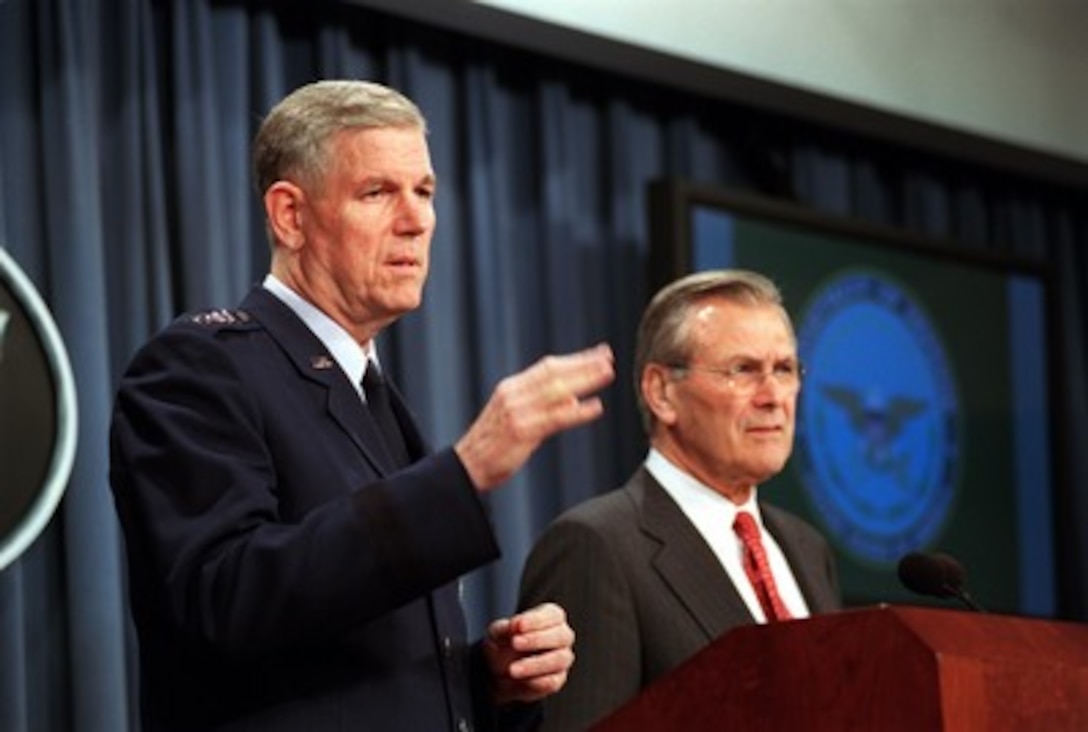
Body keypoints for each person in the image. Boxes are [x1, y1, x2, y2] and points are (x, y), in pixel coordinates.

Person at [108, 79, 616, 732]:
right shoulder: (199, 366)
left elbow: (356, 671)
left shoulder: (369, 393)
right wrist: (463, 473)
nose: (417, 220)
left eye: (424, 192)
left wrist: (486, 680)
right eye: (377, 192)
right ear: (290, 215)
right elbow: (225, 597)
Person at [517, 269, 842, 730]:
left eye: (784, 370)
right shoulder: (597, 547)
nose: (774, 397)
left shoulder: (807, 549)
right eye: (743, 371)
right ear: (662, 392)